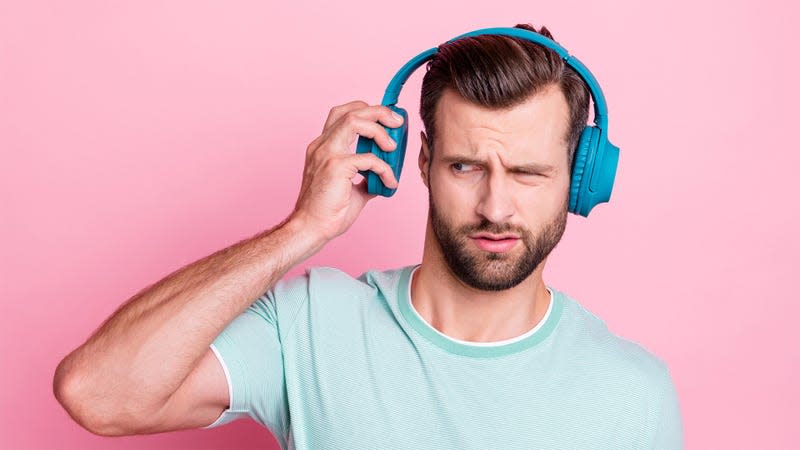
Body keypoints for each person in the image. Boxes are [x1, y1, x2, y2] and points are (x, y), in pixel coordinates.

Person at [53, 23, 684, 449]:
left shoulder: (630, 394)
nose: (496, 207)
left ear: (579, 181)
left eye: (527, 172)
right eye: (466, 166)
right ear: (419, 161)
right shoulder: (308, 326)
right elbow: (98, 393)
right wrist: (302, 230)